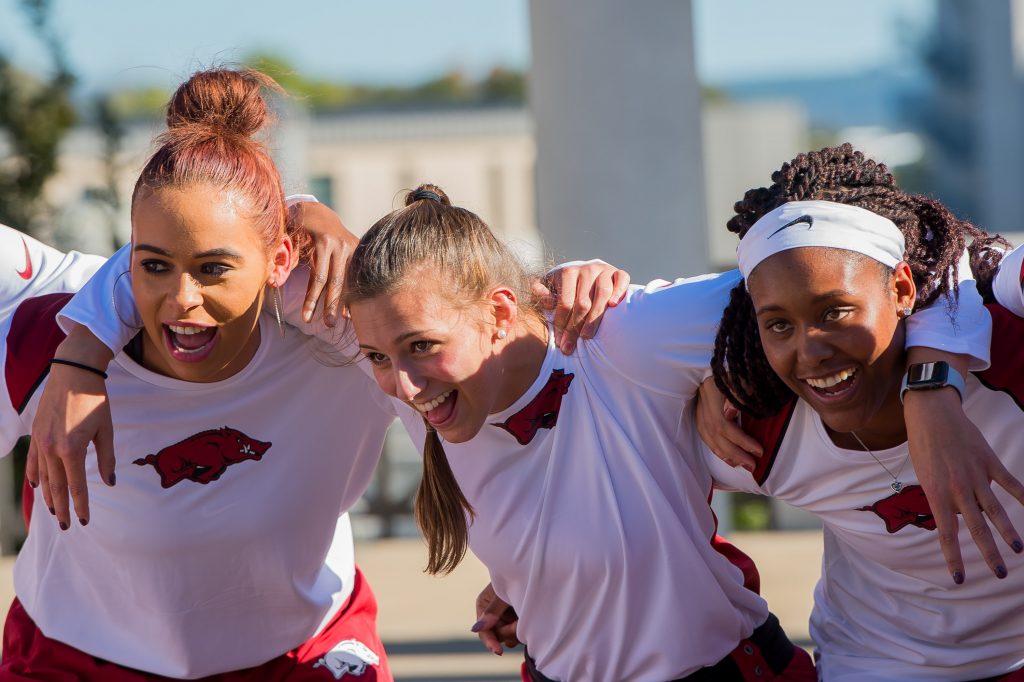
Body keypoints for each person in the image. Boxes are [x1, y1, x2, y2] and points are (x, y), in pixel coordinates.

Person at [9, 69, 627, 681]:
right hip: (75, 658)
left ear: (279, 259)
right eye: (154, 265)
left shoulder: (349, 329)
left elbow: (483, 339)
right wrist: (78, 351)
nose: (183, 298)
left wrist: (582, 290)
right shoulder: (45, 333)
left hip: (303, 653)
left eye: (214, 268)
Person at [337, 181, 1007, 681]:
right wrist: (528, 586)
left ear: (500, 312)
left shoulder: (621, 336)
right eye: (376, 358)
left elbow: (899, 253)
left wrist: (931, 388)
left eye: (422, 347)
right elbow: (279, 262)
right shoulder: (416, 390)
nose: (403, 386)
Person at [699, 144, 1024, 680]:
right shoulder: (753, 426)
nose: (811, 352)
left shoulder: (1003, 352)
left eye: (836, 312)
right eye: (778, 324)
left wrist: (932, 386)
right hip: (873, 665)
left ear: (902, 288)